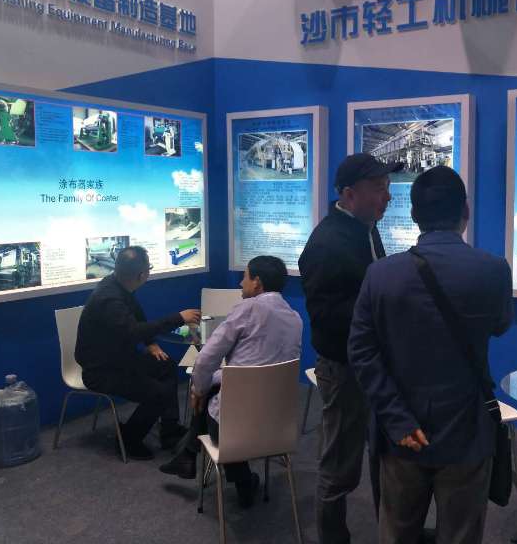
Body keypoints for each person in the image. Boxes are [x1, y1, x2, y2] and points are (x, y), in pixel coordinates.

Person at [348, 166, 513, 544]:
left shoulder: (381, 274)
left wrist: (397, 418)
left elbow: (361, 351)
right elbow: (500, 326)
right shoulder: (493, 270)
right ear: (465, 210)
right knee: (461, 533)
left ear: (413, 215)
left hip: (402, 432)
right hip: (467, 428)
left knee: (397, 530)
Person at [298, 152, 402, 544]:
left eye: (387, 187)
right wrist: (378, 310)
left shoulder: (365, 228)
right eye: (378, 188)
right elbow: (325, 316)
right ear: (348, 194)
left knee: (381, 453)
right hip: (345, 368)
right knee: (339, 464)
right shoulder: (327, 243)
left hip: (372, 364)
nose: (387, 196)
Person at [159, 255, 302, 508]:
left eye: (244, 277)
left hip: (233, 429)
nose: (240, 283)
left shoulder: (247, 310)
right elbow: (259, 368)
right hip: (278, 425)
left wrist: (197, 390)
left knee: (206, 392)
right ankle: (190, 457)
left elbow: (206, 359)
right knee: (214, 387)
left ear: (257, 282)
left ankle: (231, 475)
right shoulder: (295, 319)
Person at [75, 246, 201, 460]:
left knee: (166, 365)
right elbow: (133, 330)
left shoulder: (117, 285)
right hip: (101, 370)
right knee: (158, 393)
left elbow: (135, 316)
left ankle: (169, 430)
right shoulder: (110, 299)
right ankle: (128, 439)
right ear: (142, 275)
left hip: (118, 359)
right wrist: (179, 318)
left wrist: (150, 343)